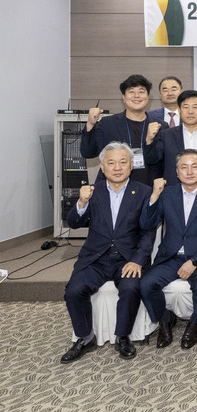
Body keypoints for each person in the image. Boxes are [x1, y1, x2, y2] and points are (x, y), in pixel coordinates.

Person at [60, 142, 154, 363]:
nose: (117, 167)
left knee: (131, 288)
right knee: (74, 290)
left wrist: (137, 260)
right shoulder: (93, 191)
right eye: (111, 163)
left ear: (131, 165)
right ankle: (85, 337)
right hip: (96, 258)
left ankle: (123, 336)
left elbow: (148, 232)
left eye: (123, 162)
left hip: (127, 258)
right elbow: (73, 223)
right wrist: (81, 202)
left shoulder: (143, 192)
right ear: (102, 167)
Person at [139, 150, 197, 349]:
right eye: (184, 167)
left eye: (194, 167)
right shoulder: (167, 194)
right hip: (171, 256)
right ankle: (164, 321)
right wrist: (154, 195)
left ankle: (195, 325)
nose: (189, 172)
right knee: (146, 284)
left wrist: (195, 261)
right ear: (177, 172)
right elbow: (146, 223)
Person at [80, 74, 168, 185]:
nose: (136, 96)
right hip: (113, 188)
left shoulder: (161, 126)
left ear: (148, 97)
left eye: (141, 91)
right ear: (123, 97)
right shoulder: (107, 124)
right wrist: (90, 124)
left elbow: (163, 162)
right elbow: (87, 152)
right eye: (131, 92)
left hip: (149, 188)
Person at [143, 90, 197, 188]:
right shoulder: (166, 135)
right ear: (179, 111)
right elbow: (151, 160)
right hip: (174, 191)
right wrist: (149, 140)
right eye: (186, 107)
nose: (190, 111)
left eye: (195, 107)